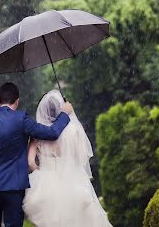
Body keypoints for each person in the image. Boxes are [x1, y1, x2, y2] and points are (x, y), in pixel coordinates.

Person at [0, 82, 73, 227]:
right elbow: (52, 133)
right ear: (17, 101)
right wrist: (64, 114)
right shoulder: (21, 119)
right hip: (14, 188)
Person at [23, 89, 113, 227]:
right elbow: (81, 157)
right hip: (73, 181)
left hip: (47, 186)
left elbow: (30, 162)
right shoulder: (72, 131)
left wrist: (43, 171)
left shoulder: (38, 134)